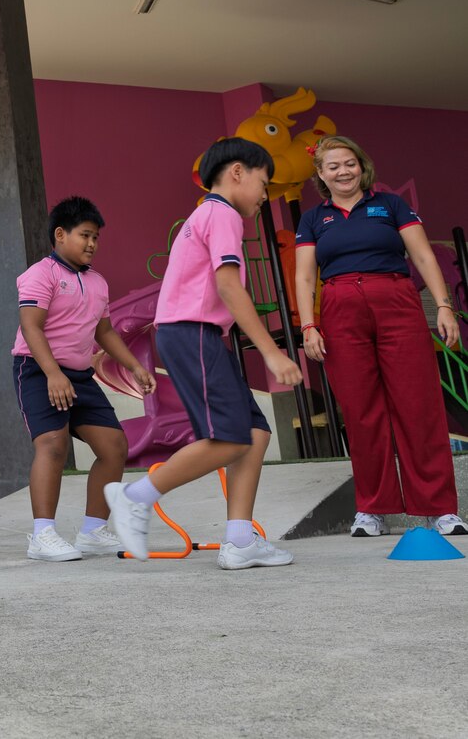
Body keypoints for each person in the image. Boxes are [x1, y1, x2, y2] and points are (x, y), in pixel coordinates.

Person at [107, 138, 302, 569]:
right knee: (229, 438)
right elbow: (229, 287)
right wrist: (271, 353)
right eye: (263, 184)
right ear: (237, 172)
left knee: (254, 434)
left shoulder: (206, 215)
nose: (264, 197)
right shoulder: (223, 215)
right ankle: (132, 497)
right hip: (193, 333)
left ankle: (239, 540)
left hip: (196, 335)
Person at [293, 135, 466, 537]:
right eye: (332, 166)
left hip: (396, 300)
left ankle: (439, 508)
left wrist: (443, 305)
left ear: (362, 166)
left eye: (349, 163)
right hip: (339, 308)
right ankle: (373, 509)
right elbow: (304, 275)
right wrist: (308, 324)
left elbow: (422, 256)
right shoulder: (313, 219)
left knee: (418, 404)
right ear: (320, 174)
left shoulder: (391, 205)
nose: (343, 171)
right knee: (360, 410)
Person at [13, 196, 155, 562]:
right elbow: (31, 326)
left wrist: (135, 367)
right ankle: (42, 535)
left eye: (96, 238)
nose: (92, 244)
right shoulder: (40, 274)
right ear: (60, 235)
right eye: (85, 235)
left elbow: (104, 333)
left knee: (114, 447)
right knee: (53, 446)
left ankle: (92, 531)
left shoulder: (98, 282)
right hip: (38, 369)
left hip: (79, 375)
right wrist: (52, 374)